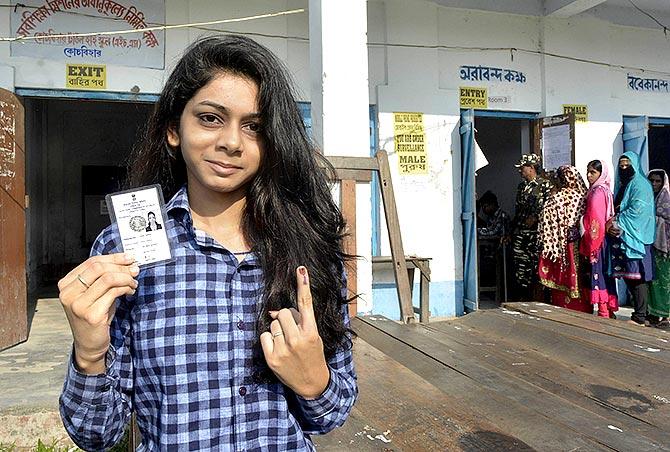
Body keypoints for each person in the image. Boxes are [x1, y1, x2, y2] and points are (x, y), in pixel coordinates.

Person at [58, 35, 357, 450]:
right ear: (173, 130)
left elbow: (333, 414)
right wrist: (88, 355)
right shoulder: (124, 250)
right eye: (210, 118)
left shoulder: (307, 249)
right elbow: (96, 435)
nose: (231, 142)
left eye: (254, 126)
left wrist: (314, 381)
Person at [607, 152, 655, 326]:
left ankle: (641, 316)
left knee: (638, 277)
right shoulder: (625, 185)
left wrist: (616, 222)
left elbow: (638, 211)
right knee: (629, 276)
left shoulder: (640, 185)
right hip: (625, 237)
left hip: (637, 237)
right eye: (621, 165)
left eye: (628, 164)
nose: (624, 168)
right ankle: (642, 313)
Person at [538, 165, 590, 312]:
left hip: (562, 244)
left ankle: (564, 305)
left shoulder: (556, 198)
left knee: (564, 274)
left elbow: (545, 219)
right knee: (580, 275)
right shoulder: (585, 197)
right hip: (581, 243)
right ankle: (583, 308)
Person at [579, 160, 618, 318]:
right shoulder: (606, 189)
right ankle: (608, 309)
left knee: (598, 274)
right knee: (606, 274)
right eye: (587, 172)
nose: (588, 176)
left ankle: (603, 311)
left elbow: (595, 219)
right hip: (605, 240)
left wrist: (591, 241)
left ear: (601, 174)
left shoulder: (596, 193)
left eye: (593, 172)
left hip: (597, 240)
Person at [511, 153, 552, 300]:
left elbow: (550, 210)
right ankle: (524, 297)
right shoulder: (521, 187)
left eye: (523, 167)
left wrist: (536, 217)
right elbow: (518, 210)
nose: (520, 170)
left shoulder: (545, 185)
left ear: (531, 168)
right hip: (521, 233)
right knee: (520, 268)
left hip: (537, 235)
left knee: (537, 267)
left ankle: (540, 298)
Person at [647, 169, 670, 328]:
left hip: (665, 248)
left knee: (665, 281)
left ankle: (666, 316)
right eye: (652, 181)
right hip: (650, 246)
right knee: (652, 281)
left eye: (658, 181)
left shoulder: (667, 198)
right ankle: (655, 314)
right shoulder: (647, 198)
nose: (654, 184)